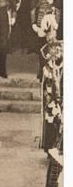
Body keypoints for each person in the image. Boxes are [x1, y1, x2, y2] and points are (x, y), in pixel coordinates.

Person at [40, 18, 63, 152]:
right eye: (49, 35)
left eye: (53, 34)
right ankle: (49, 145)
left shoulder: (61, 47)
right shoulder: (45, 50)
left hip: (58, 83)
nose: (52, 37)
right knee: (50, 116)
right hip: (50, 87)